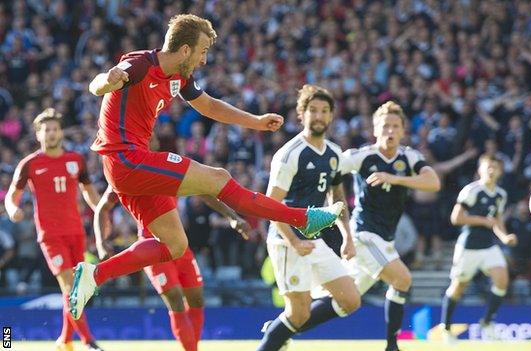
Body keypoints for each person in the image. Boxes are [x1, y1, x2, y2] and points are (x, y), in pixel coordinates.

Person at [70, 14, 343, 319]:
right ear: (185, 50)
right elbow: (102, 81)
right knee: (219, 178)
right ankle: (302, 219)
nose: (203, 60)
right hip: (127, 160)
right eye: (202, 52)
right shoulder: (140, 64)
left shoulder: (179, 77)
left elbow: (209, 105)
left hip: (132, 169)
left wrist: (254, 121)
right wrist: (106, 82)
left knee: (174, 244)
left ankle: (94, 275)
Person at [300, 101, 441, 351]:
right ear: (375, 129)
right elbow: (332, 170)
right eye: (385, 125)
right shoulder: (362, 156)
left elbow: (433, 182)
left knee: (344, 301)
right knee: (403, 279)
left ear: (402, 131)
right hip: (364, 234)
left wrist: (394, 178)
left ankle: (284, 327)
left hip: (385, 239)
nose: (390, 130)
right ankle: (391, 346)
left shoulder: (409, 157)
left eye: (395, 126)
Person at [257, 84, 360, 351]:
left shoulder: (335, 154)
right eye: (312, 110)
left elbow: (337, 200)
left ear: (331, 116)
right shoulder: (290, 154)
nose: (319, 116)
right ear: (301, 115)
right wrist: (293, 242)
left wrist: (347, 237)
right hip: (286, 239)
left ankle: (279, 328)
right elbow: (270, 206)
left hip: (314, 239)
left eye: (324, 111)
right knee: (298, 314)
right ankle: (280, 330)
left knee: (350, 299)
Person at [95, 185, 251, 351]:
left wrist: (232, 216)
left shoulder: (170, 168)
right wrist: (101, 242)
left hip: (179, 244)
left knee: (197, 300)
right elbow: (102, 208)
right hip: (151, 247)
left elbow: (203, 190)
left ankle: (193, 347)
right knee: (175, 298)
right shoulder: (127, 172)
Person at [4, 108, 103, 351]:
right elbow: (11, 196)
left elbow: (89, 191)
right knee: (70, 287)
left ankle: (64, 340)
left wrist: (101, 209)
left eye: (54, 129)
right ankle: (88, 341)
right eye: (46, 130)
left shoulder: (76, 161)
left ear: (61, 132)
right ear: (38, 135)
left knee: (75, 290)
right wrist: (13, 209)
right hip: (50, 236)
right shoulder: (30, 164)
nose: (51, 134)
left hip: (76, 232)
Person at [440, 155, 517, 342]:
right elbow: (456, 218)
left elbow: (497, 220)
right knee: (458, 287)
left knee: (502, 281)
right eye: (488, 166)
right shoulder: (472, 190)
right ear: (480, 169)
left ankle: (488, 322)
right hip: (468, 246)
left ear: (500, 171)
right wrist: (483, 221)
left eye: (495, 167)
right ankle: (446, 328)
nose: (492, 170)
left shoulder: (500, 194)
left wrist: (504, 237)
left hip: (488, 246)